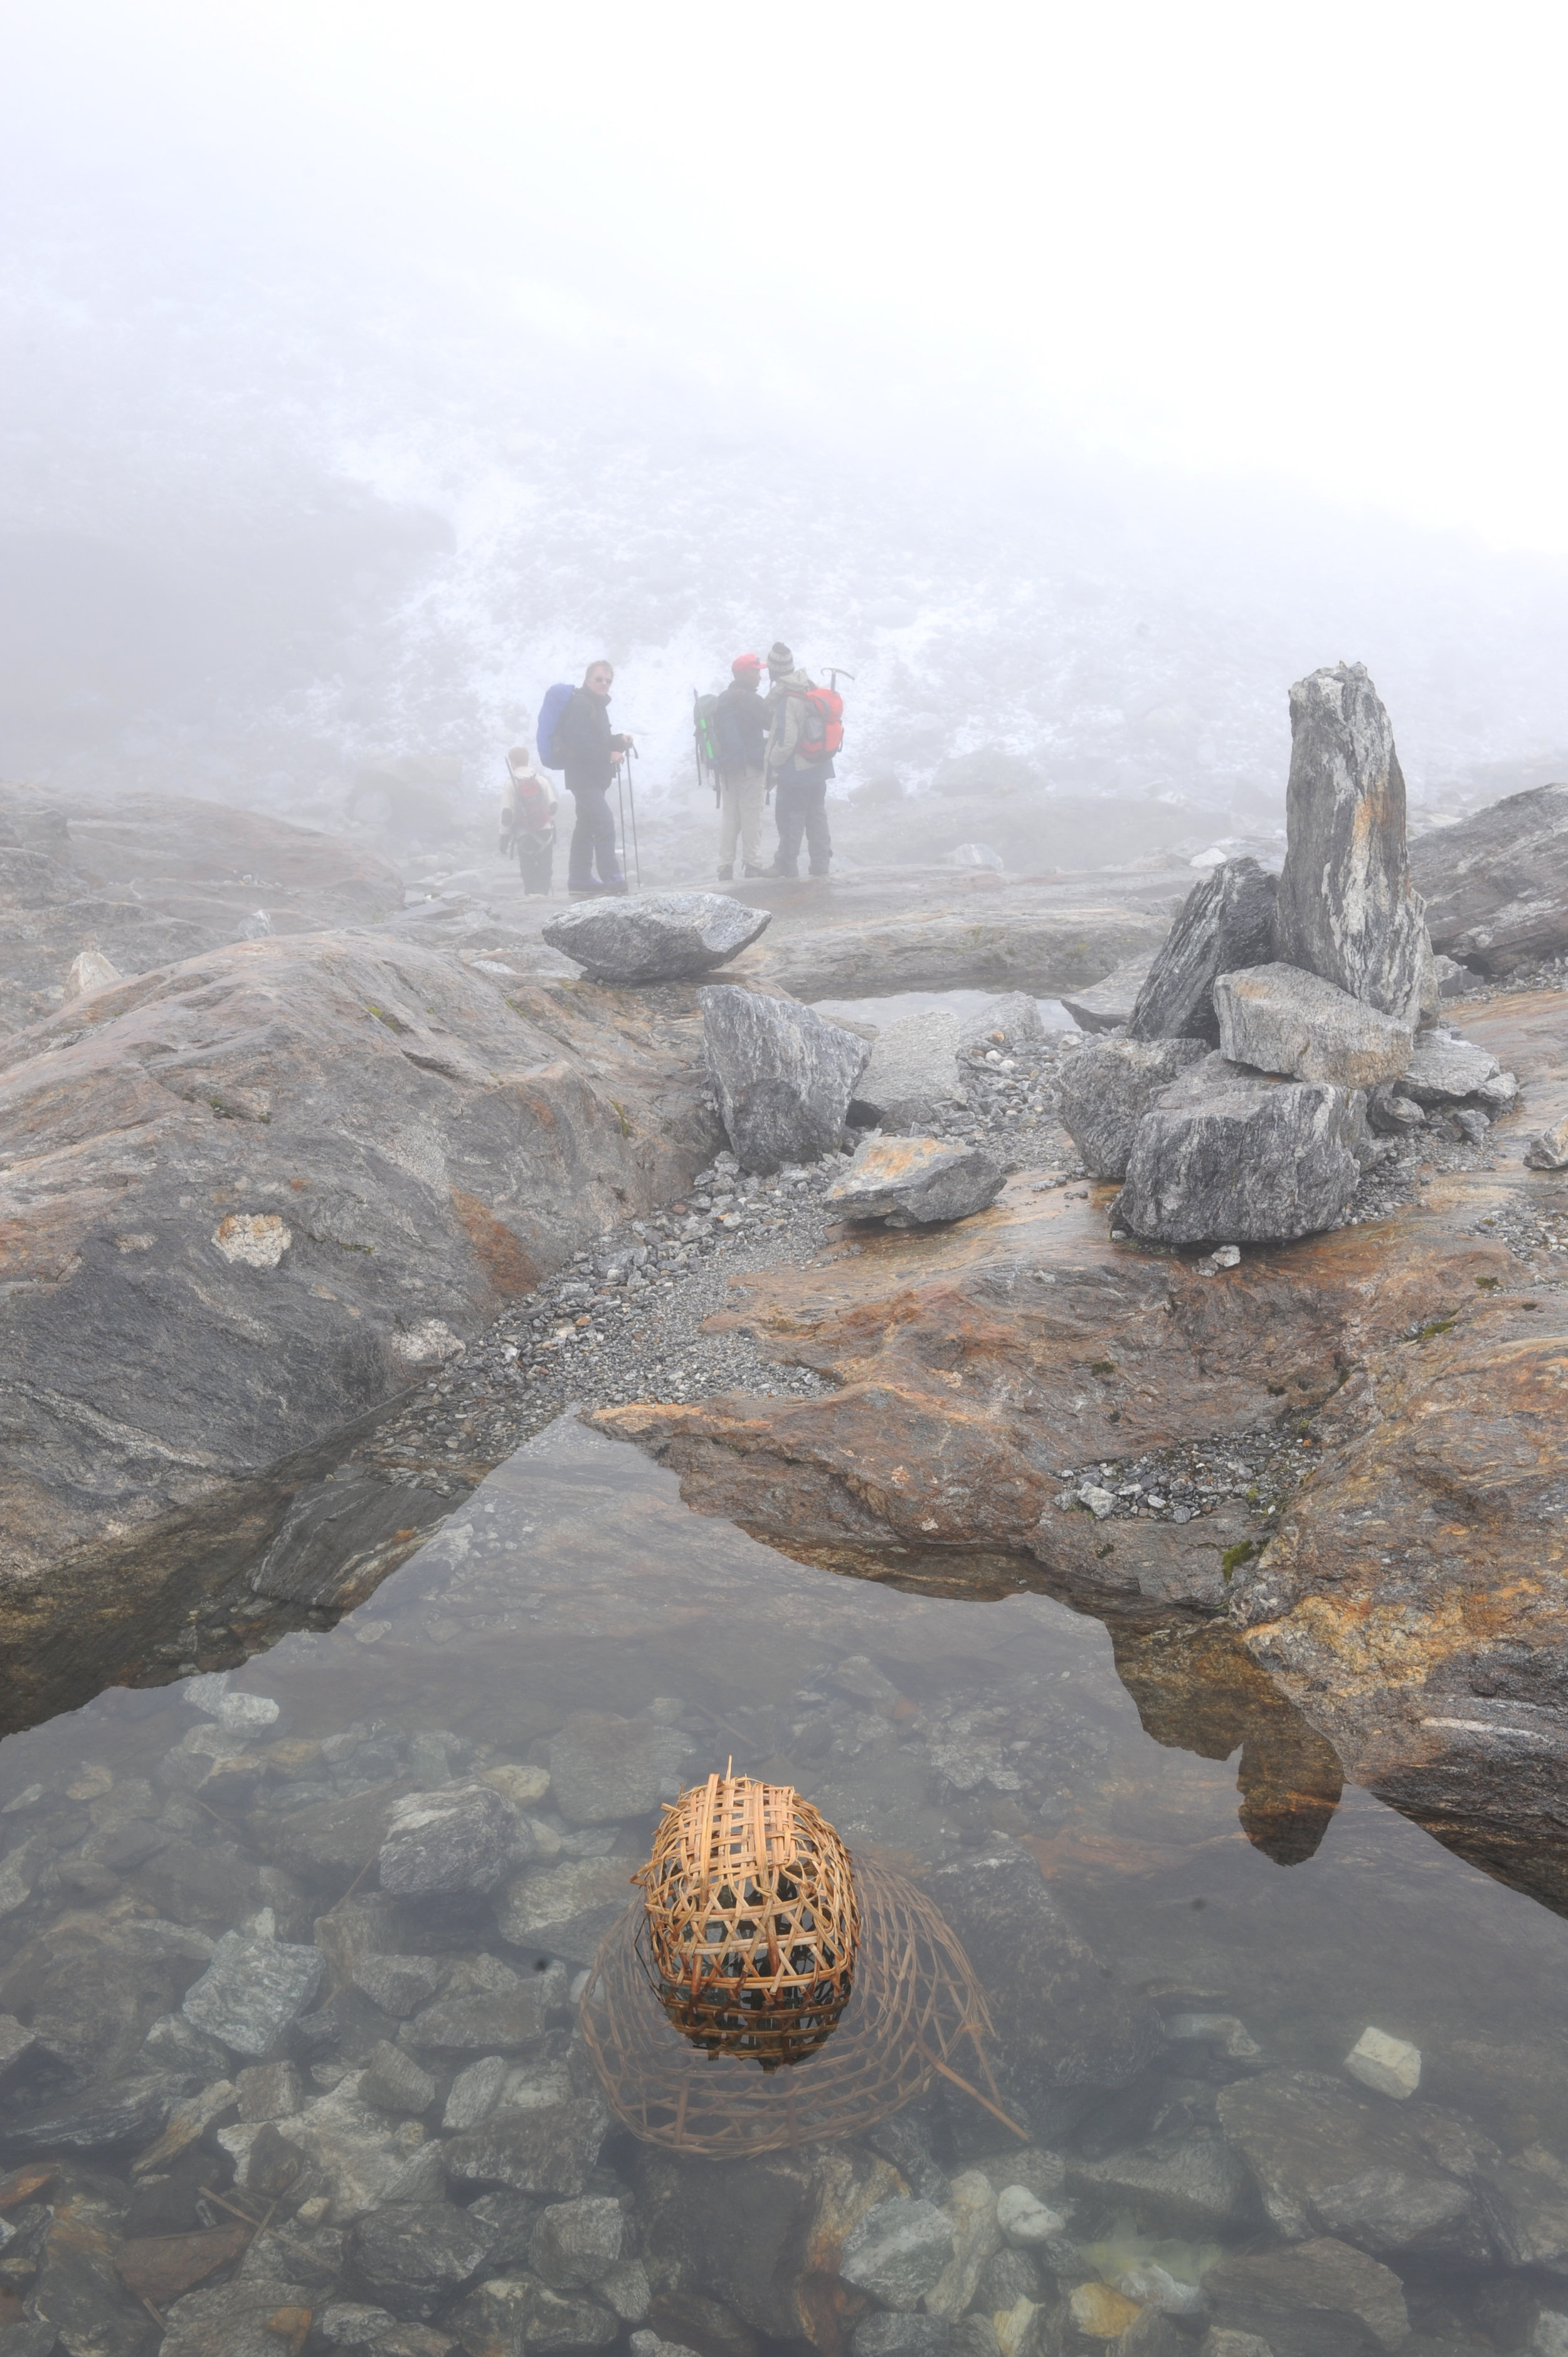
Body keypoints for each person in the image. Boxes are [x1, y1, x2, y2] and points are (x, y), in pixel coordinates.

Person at [554, 659, 634, 896]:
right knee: (604, 823)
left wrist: (619, 740)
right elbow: (579, 744)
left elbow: (597, 741)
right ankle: (612, 879)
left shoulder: (596, 706)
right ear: (588, 680)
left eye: (608, 680)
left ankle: (579, 879)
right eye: (599, 679)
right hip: (584, 777)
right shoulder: (581, 705)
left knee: (586, 826)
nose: (604, 683)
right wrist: (609, 753)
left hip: (591, 778)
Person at [765, 641, 833, 878]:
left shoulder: (787, 698)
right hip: (820, 764)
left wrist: (772, 762)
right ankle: (821, 865)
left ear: (774, 671)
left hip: (797, 770)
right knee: (816, 815)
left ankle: (786, 866)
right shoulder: (809, 686)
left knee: (791, 818)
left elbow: (787, 741)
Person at [711, 652, 771, 880]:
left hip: (727, 770)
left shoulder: (723, 698)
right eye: (756, 671)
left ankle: (725, 866)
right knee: (751, 816)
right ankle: (753, 864)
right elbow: (771, 722)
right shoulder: (752, 700)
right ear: (744, 673)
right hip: (751, 768)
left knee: (730, 817)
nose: (760, 676)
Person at [498, 743, 558, 895]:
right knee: (546, 866)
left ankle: (531, 896)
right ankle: (544, 896)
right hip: (545, 831)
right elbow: (553, 806)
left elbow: (507, 814)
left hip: (524, 834)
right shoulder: (541, 780)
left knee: (528, 868)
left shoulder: (510, 783)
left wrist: (503, 838)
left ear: (514, 762)